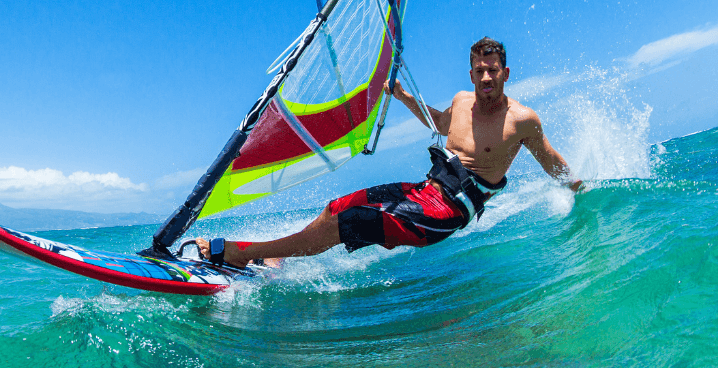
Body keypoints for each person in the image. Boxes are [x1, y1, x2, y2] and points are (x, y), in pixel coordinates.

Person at [197, 37, 584, 269]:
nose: (486, 77)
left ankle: (241, 253)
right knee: (336, 207)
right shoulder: (462, 102)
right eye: (480, 70)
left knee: (348, 222)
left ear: (506, 73)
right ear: (470, 75)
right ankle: (276, 257)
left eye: (493, 70)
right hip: (424, 192)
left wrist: (581, 189)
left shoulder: (521, 121)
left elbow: (550, 160)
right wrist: (401, 97)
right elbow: (438, 124)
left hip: (445, 214)